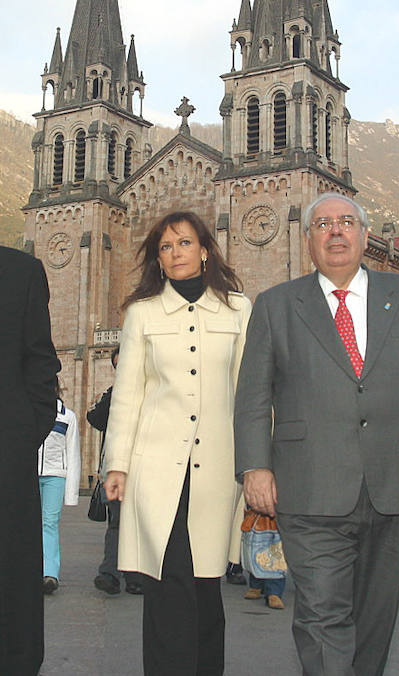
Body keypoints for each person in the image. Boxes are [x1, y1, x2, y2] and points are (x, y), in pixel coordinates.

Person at [234, 193, 399, 676]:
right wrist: (255, 466)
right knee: (322, 616)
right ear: (308, 240)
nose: (335, 232)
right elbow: (253, 395)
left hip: (394, 479)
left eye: (346, 222)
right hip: (309, 485)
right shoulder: (276, 305)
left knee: (375, 618)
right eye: (323, 224)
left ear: (365, 235)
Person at [104, 211, 251, 676]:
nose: (175, 253)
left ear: (205, 249)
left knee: (207, 588)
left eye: (184, 243)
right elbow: (128, 395)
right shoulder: (142, 314)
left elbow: (248, 394)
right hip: (157, 472)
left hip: (216, 471)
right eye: (166, 248)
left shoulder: (238, 310)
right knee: (166, 588)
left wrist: (257, 464)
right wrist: (117, 465)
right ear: (158, 260)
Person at [0, 246, 59, 676]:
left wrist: (20, 437)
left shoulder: (21, 271)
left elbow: (42, 362)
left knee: (11, 579)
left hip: (6, 456)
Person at [87, 346, 143, 595]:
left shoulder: (149, 392)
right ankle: (110, 574)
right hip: (117, 469)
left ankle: (134, 577)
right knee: (118, 522)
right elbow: (96, 420)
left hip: (144, 468)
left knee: (140, 523)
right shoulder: (113, 394)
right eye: (117, 366)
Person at [38, 376, 81, 594]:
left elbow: (73, 454)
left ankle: (50, 573)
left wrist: (71, 493)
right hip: (29, 473)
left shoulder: (68, 417)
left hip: (55, 475)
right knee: (28, 523)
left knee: (49, 522)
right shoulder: (30, 411)